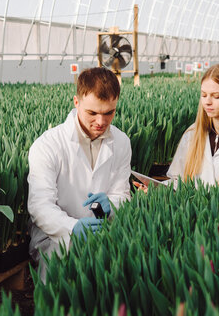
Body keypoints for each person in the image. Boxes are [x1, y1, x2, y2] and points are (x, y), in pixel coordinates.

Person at [27, 67, 132, 282]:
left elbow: (122, 195)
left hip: (103, 229)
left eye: (109, 112)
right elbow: (40, 206)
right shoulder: (48, 145)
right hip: (54, 235)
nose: (101, 122)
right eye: (92, 113)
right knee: (59, 277)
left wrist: (112, 205)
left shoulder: (121, 142)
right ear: (77, 102)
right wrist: (72, 227)